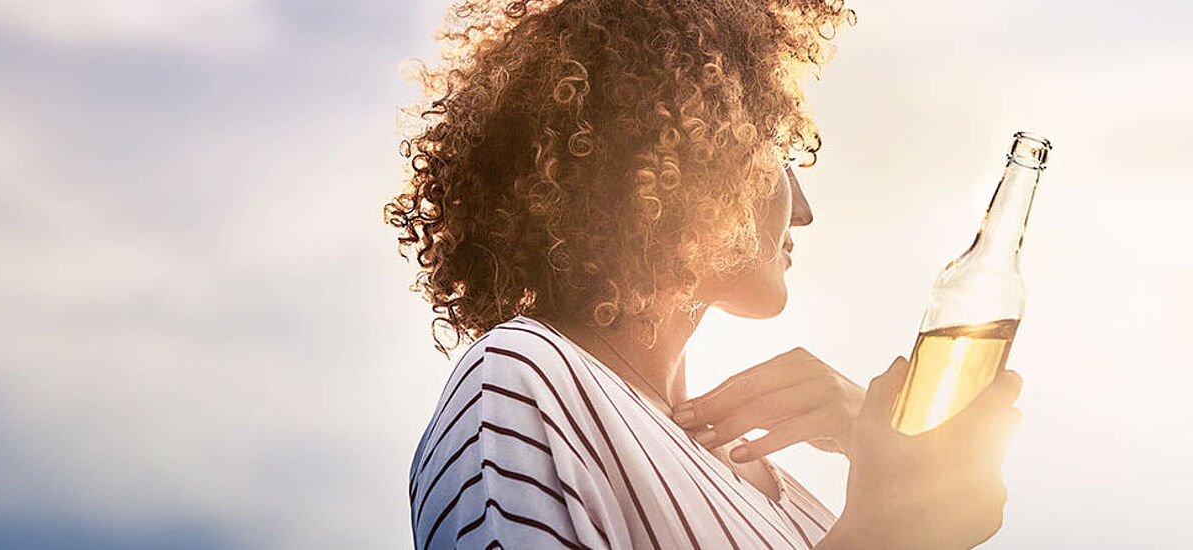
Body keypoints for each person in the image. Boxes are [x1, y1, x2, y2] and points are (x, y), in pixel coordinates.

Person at [387, 1, 1023, 548]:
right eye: (776, 147)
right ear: (690, 150)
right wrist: (882, 534)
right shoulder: (524, 379)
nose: (804, 210)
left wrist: (904, 482)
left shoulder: (789, 494)